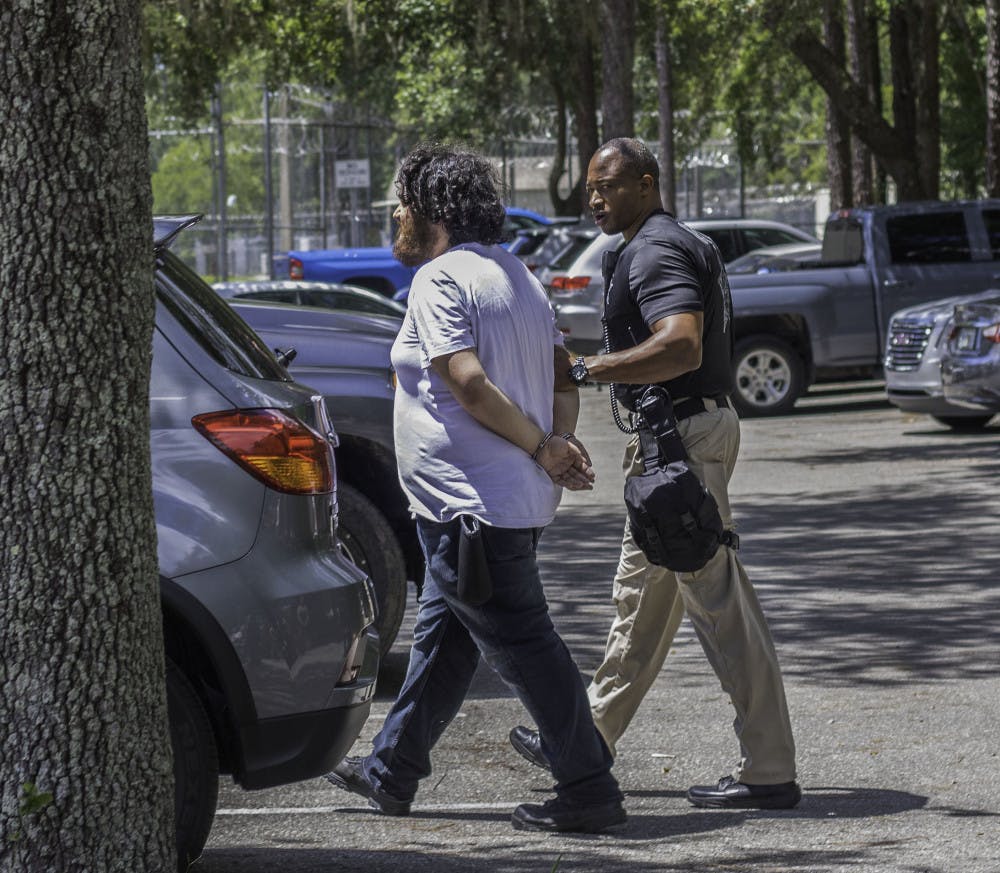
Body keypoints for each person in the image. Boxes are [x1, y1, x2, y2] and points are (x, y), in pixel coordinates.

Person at [325, 143, 626, 833]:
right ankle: (391, 766)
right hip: (494, 502)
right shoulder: (517, 273)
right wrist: (557, 441)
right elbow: (560, 375)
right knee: (448, 638)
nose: (395, 216)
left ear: (433, 210)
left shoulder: (439, 279)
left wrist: (546, 447)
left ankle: (589, 786)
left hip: (472, 506)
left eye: (401, 203)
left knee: (526, 645)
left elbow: (466, 381)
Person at [509, 137, 800, 810]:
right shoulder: (659, 243)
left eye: (608, 185)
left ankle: (767, 768)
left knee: (717, 601)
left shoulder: (656, 249)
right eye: (590, 186)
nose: (594, 198)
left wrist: (585, 368)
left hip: (682, 443)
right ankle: (587, 739)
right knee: (643, 601)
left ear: (646, 183)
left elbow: (680, 344)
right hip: (684, 436)